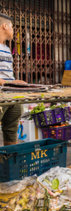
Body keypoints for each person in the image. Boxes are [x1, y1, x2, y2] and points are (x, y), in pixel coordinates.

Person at [0, 13, 26, 146]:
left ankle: (9, 162)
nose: (13, 29)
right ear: (4, 26)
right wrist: (8, 82)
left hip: (12, 95)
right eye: (11, 26)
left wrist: (16, 83)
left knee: (11, 130)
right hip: (1, 94)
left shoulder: (6, 48)